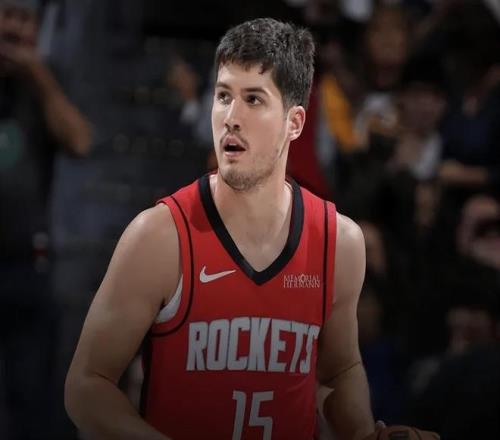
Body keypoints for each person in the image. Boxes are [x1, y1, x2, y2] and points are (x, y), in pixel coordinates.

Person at [65, 18, 438, 440]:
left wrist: (364, 434)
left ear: (294, 123)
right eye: (224, 96)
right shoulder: (160, 235)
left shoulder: (340, 242)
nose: (231, 117)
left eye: (253, 99)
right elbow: (87, 384)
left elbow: (338, 372)